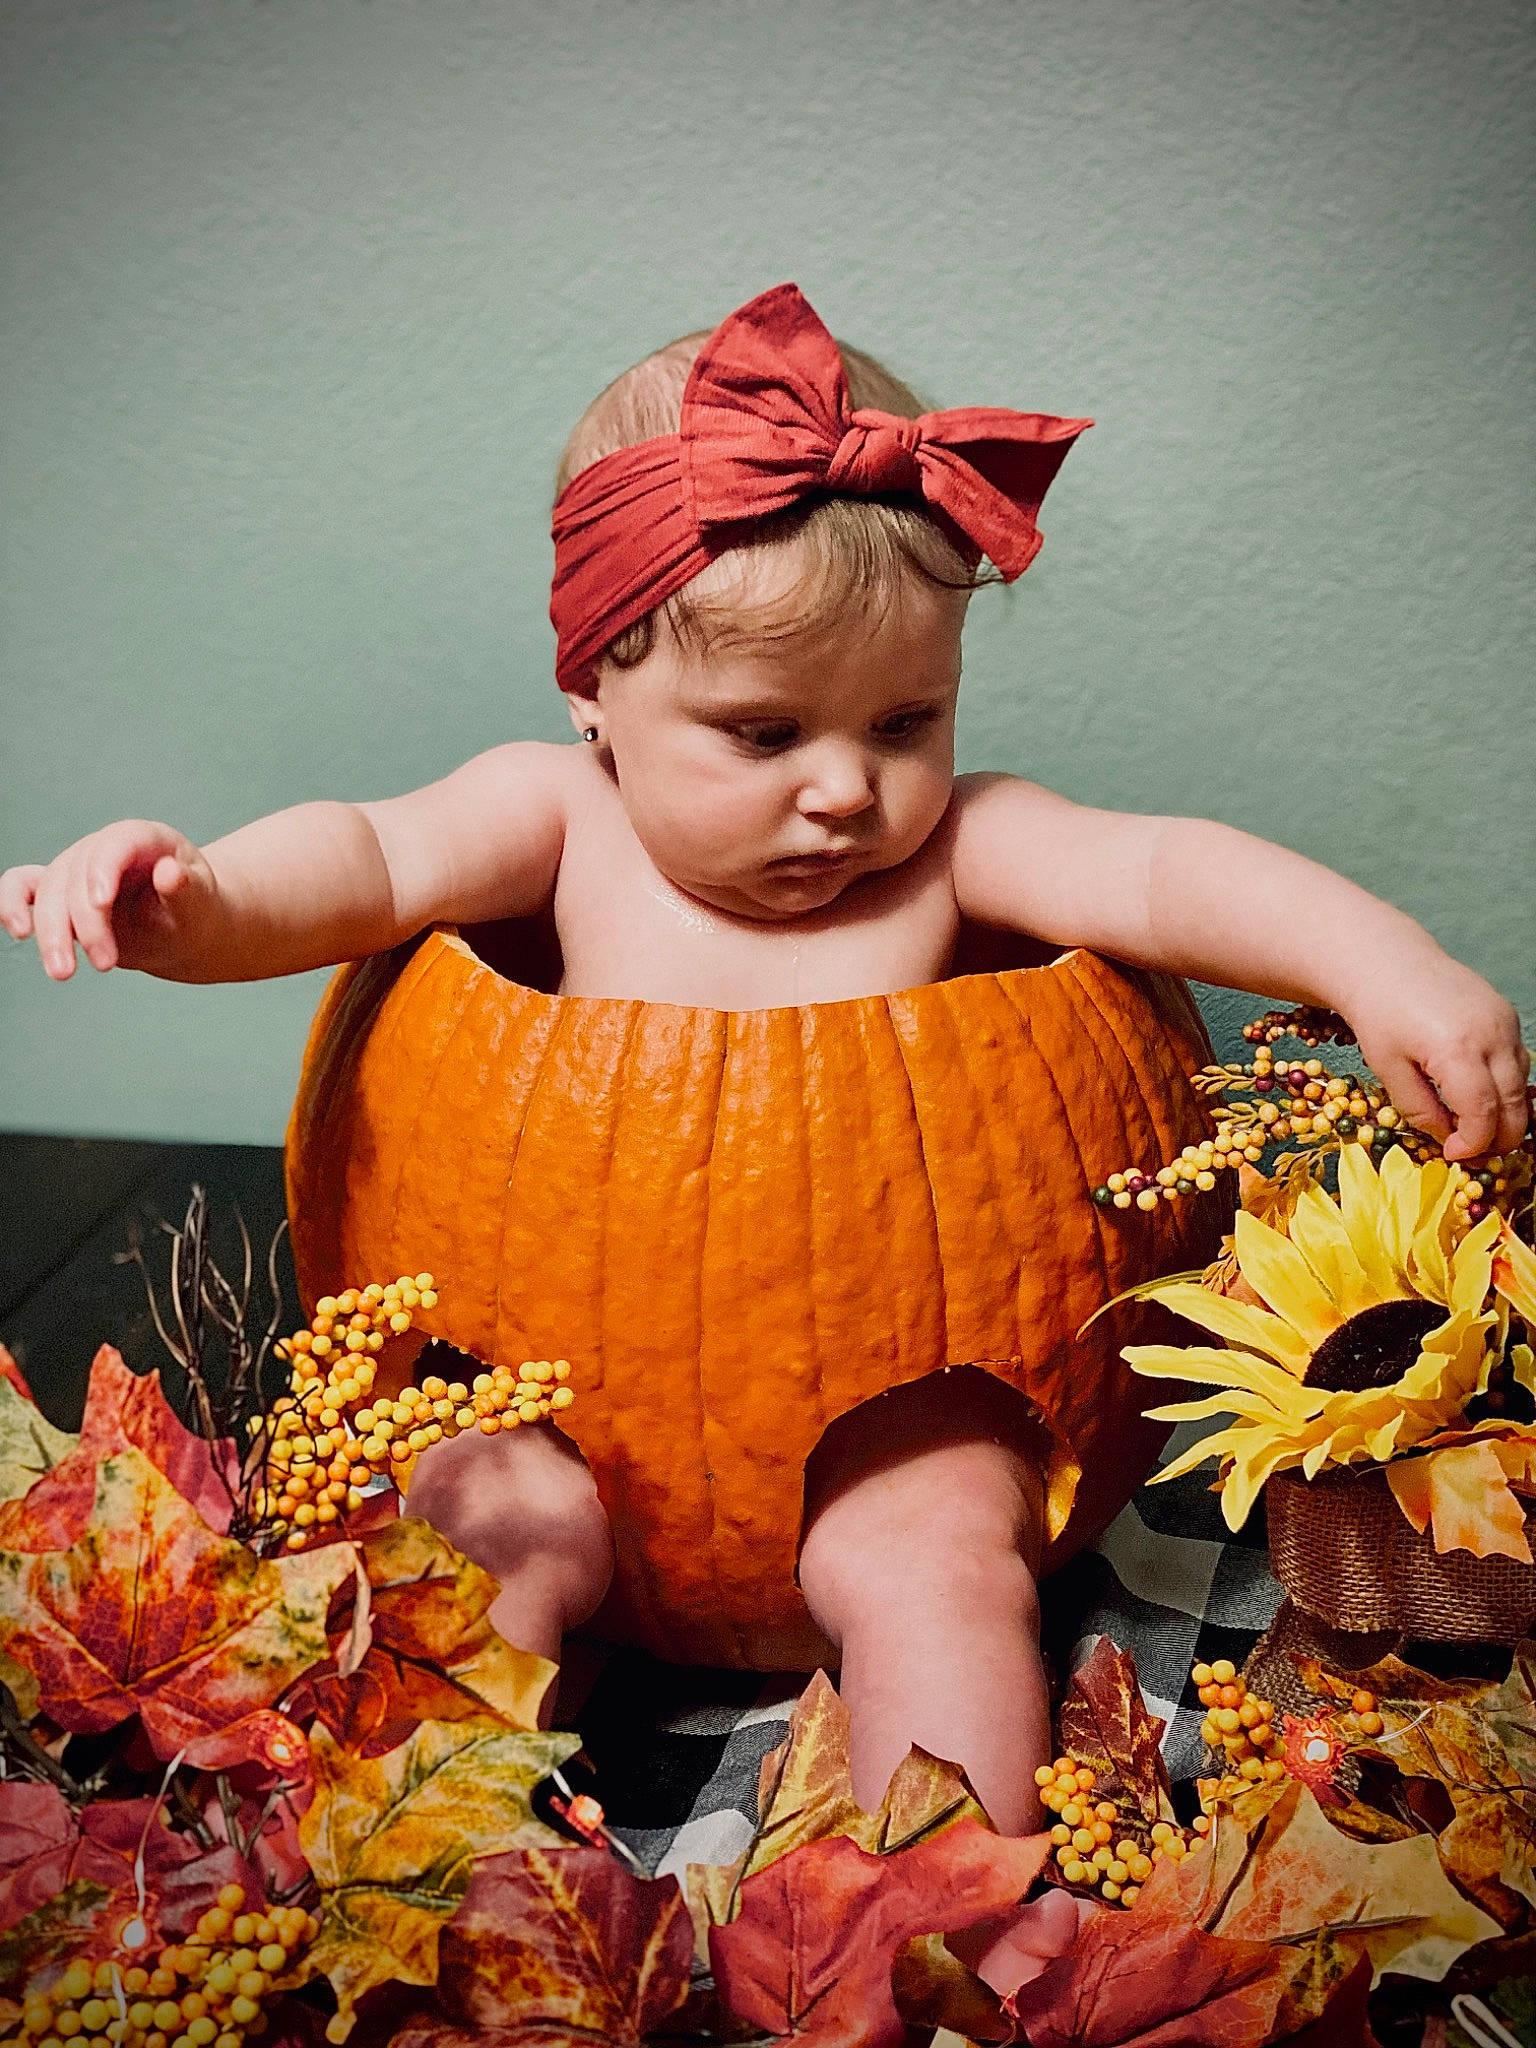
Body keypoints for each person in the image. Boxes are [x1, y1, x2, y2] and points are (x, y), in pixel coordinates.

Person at [2, 283, 1527, 1989]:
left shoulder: (963, 855)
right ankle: (400, 1874)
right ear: (597, 688)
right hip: (564, 1401)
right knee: (475, 1518)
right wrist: (185, 902)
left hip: (898, 1386)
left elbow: (1170, 873)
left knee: (942, 1552)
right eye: (763, 732)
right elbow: (352, 864)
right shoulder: (550, 817)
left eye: (906, 723)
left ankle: (950, 1928)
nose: (845, 790)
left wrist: (1382, 962)